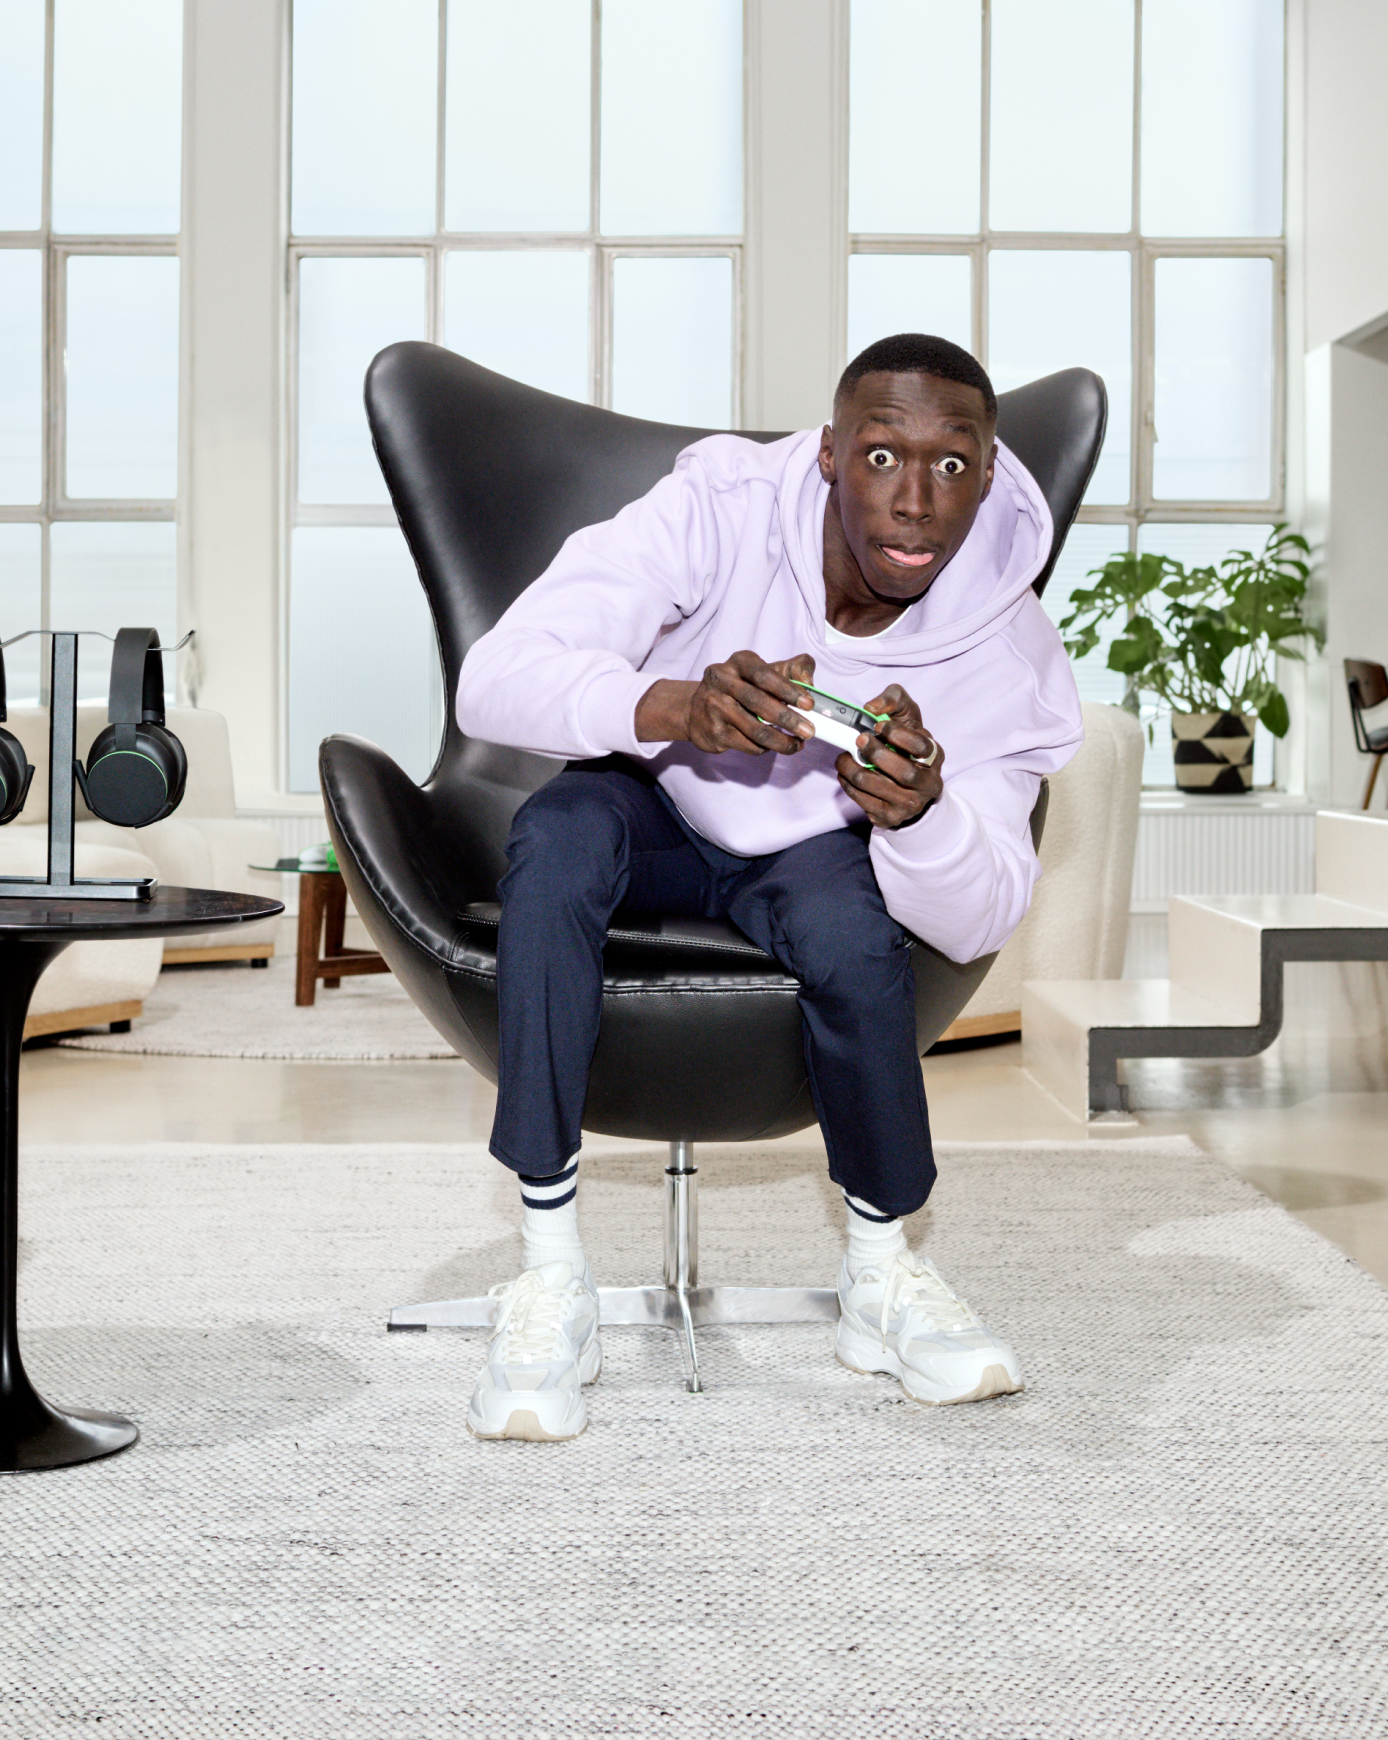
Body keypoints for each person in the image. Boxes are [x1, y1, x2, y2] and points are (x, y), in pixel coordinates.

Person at [450, 332, 1085, 1441]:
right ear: (832, 453)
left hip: (818, 840)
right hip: (655, 800)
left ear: (990, 474)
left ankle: (881, 1277)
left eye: (952, 467)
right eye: (885, 456)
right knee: (554, 840)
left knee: (855, 936)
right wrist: (671, 704)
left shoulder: (1013, 646)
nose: (918, 504)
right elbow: (493, 678)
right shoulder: (722, 504)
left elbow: (984, 911)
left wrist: (921, 814)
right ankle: (551, 1273)